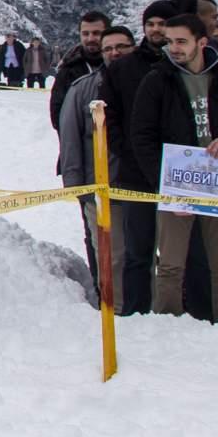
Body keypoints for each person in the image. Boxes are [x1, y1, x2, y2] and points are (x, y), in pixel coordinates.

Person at [130, 11, 218, 322]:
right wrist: (163, 184)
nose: (174, 48)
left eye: (181, 41)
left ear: (201, 42)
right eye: (169, 42)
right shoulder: (157, 81)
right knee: (170, 264)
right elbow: (142, 137)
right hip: (176, 183)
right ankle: (167, 324)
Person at [95, 0, 177, 315]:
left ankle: (177, 312)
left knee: (176, 253)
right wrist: (129, 151)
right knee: (137, 249)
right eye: (151, 23)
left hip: (181, 172)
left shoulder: (187, 68)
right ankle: (136, 311)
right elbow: (108, 119)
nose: (156, 29)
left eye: (163, 24)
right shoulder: (123, 69)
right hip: (135, 171)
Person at [55, 25, 137, 301]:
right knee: (111, 254)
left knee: (143, 252)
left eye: (121, 47)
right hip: (101, 185)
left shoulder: (151, 81)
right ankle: (115, 308)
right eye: (108, 49)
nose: (115, 53)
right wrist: (75, 184)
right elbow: (69, 138)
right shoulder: (83, 89)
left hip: (144, 184)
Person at [49, 12, 110, 130]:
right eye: (85, 34)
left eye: (96, 33)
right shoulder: (68, 69)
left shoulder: (119, 64)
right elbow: (58, 115)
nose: (90, 38)